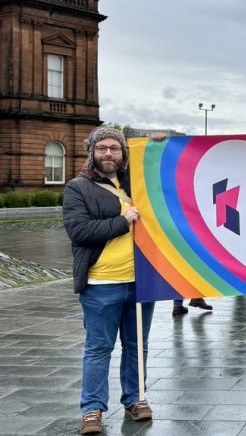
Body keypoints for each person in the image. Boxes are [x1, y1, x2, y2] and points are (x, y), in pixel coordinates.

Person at [63, 126, 166, 435]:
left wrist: (156, 147)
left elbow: (164, 177)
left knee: (137, 347)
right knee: (98, 348)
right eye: (102, 148)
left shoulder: (135, 183)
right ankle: (92, 409)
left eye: (114, 148)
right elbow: (79, 232)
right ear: (92, 152)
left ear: (123, 154)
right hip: (100, 285)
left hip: (141, 283)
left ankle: (135, 399)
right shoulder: (77, 188)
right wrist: (123, 222)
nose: (108, 153)